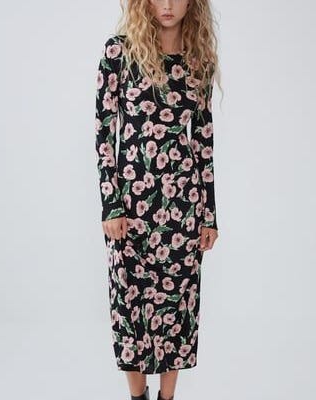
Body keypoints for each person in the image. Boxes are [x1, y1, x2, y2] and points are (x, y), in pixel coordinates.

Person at [94, 0, 221, 399]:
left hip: (183, 207)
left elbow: (203, 141)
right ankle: (138, 397)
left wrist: (209, 214)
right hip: (130, 208)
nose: (167, 5)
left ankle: (167, 397)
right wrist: (111, 203)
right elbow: (104, 132)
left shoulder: (199, 59)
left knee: (177, 306)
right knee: (128, 304)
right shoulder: (119, 51)